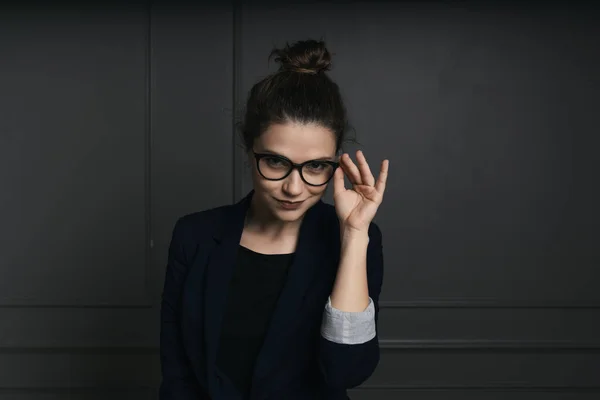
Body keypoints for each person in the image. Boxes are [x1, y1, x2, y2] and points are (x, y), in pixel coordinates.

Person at [159, 39, 389, 400]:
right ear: (250, 150)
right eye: (276, 162)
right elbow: (177, 376)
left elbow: (347, 370)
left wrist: (355, 235)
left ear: (336, 163)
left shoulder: (356, 240)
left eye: (316, 166)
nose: (294, 187)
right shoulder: (195, 236)